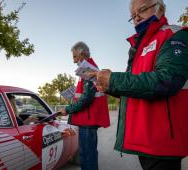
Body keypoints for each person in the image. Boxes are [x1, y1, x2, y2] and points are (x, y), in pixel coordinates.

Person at [89, 0, 188, 170]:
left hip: (163, 142)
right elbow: (136, 87)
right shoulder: (138, 48)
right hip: (146, 141)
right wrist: (109, 86)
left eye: (141, 10)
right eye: (132, 16)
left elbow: (166, 80)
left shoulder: (174, 34)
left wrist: (114, 79)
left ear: (160, 8)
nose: (136, 18)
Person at [60, 41, 110, 170]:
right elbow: (86, 94)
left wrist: (68, 109)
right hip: (87, 118)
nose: (73, 61)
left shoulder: (88, 70)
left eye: (75, 57)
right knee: (88, 153)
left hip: (88, 120)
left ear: (82, 54)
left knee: (87, 155)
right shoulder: (88, 69)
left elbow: (87, 98)